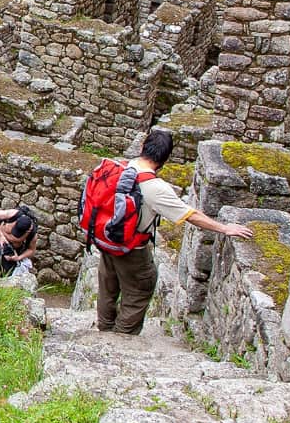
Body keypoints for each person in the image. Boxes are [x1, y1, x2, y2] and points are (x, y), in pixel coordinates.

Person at [95, 129, 252, 334]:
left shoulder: (121, 168)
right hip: (132, 248)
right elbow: (190, 215)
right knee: (139, 290)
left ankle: (104, 328)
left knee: (108, 287)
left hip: (106, 239)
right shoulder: (155, 187)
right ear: (165, 158)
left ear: (143, 148)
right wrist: (224, 228)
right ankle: (121, 337)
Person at [0, 204, 40, 280]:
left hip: (10, 254)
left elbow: (31, 250)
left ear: (28, 230)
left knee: (6, 276)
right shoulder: (12, 214)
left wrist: (18, 258)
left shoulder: (32, 235)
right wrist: (1, 235)